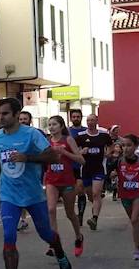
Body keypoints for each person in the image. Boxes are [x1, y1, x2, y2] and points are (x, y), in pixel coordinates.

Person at [0, 97, 73, 269]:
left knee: (46, 234)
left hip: (33, 194)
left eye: (5, 113)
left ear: (17, 115)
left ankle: (60, 252)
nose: (1, 117)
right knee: (9, 235)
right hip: (9, 194)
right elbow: (1, 159)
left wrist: (28, 158)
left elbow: (54, 156)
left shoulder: (32, 135)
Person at [42, 115, 86, 257]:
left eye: (54, 124)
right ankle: (54, 243)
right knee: (51, 209)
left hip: (67, 181)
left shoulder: (68, 140)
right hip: (51, 181)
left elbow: (81, 160)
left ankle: (78, 237)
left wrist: (65, 152)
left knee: (70, 214)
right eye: (49, 124)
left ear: (61, 126)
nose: (51, 127)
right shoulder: (47, 142)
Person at [115, 134, 139, 259]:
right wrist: (112, 174)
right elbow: (109, 171)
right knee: (134, 221)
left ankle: (136, 249)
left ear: (135, 146)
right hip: (124, 194)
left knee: (135, 219)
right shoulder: (119, 161)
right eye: (123, 145)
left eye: (129, 145)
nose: (125, 148)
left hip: (138, 194)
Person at [78, 114, 113, 230]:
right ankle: (96, 206)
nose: (90, 122)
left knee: (96, 193)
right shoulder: (81, 136)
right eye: (88, 120)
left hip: (99, 168)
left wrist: (108, 153)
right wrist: (81, 152)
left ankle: (94, 218)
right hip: (86, 169)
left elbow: (111, 145)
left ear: (96, 121)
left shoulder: (103, 135)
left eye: (92, 120)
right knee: (90, 196)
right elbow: (74, 150)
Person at [67, 107, 89, 216]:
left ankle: (80, 215)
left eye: (78, 117)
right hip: (70, 164)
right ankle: (71, 212)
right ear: (70, 118)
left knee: (80, 189)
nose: (76, 118)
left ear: (81, 118)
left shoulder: (86, 131)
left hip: (83, 164)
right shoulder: (67, 131)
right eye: (74, 117)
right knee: (71, 191)